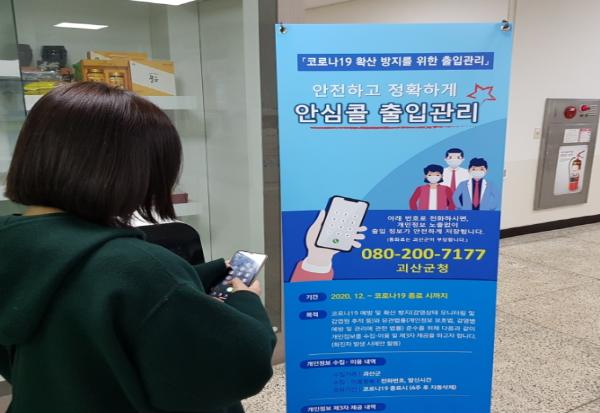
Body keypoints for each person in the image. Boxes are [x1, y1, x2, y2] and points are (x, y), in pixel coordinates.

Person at [0, 82, 276, 413]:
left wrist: (204, 275)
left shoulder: (14, 242)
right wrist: (246, 299)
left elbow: (82, 294)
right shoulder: (138, 267)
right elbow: (240, 365)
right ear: (129, 171)